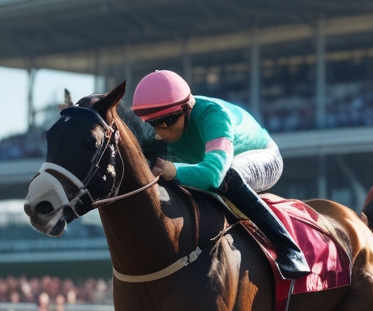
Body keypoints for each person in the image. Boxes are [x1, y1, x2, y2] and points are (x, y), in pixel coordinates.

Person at [132, 70, 309, 279]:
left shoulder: (214, 115)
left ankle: (290, 251)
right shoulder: (153, 133)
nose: (162, 131)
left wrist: (174, 170)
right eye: (154, 123)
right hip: (211, 165)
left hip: (263, 156)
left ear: (188, 108)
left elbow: (213, 175)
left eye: (170, 120)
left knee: (227, 177)